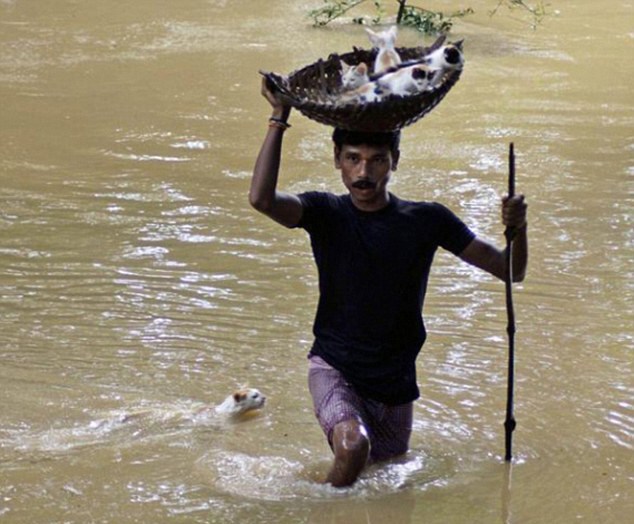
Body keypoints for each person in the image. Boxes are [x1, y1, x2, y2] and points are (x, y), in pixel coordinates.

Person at [250, 79, 528, 487]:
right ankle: (326, 514)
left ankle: (321, 494)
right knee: (352, 447)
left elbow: (510, 271)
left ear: (395, 160)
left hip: (395, 380)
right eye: (353, 158)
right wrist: (279, 117)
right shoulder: (325, 212)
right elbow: (262, 199)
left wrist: (518, 228)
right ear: (337, 160)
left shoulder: (427, 219)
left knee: (385, 476)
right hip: (335, 366)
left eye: (377, 160)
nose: (364, 173)